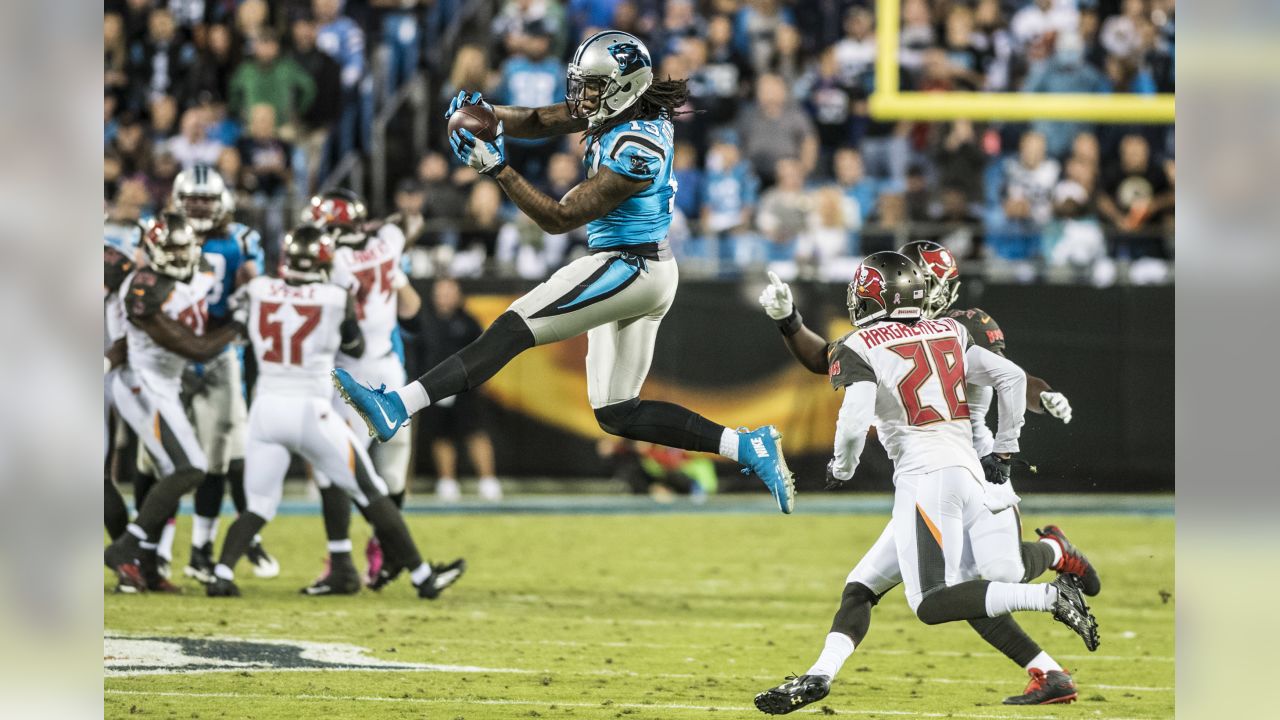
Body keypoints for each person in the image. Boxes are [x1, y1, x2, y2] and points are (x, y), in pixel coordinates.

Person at [333, 31, 796, 514]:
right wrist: (488, 116)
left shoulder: (639, 148)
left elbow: (559, 218)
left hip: (629, 265)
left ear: (622, 87)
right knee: (619, 412)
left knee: (514, 326)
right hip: (645, 266)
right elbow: (538, 119)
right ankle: (746, 446)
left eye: (592, 86)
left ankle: (398, 406)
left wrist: (499, 171)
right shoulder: (625, 105)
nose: (582, 97)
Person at [754, 246, 1096, 711]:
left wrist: (842, 468)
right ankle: (819, 675)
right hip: (970, 472)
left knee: (937, 601)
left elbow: (854, 419)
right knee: (863, 586)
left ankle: (1049, 594)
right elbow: (1011, 377)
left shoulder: (865, 342)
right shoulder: (952, 329)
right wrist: (1007, 448)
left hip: (927, 480)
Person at [206, 226, 465, 599]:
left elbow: (237, 324)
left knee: (259, 505)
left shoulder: (258, 290)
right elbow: (354, 347)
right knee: (371, 491)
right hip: (312, 411)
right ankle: (423, 577)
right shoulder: (333, 297)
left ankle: (220, 572)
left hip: (265, 410)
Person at [103, 214, 243, 593]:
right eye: (171, 249)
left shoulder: (196, 273)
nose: (179, 256)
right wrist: (237, 325)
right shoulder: (144, 287)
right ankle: (126, 548)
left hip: (163, 381)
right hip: (141, 382)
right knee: (192, 468)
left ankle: (144, 568)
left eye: (184, 248)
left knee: (172, 475)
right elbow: (194, 347)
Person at [303, 189, 423, 594]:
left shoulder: (330, 261)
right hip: (391, 367)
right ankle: (385, 554)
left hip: (347, 375)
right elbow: (411, 306)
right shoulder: (387, 243)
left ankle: (339, 560)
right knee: (392, 464)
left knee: (334, 468)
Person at [169, 166, 276, 582]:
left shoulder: (242, 240)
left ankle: (213, 545)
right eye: (191, 199)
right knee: (160, 458)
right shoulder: (161, 231)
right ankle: (152, 550)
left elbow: (255, 290)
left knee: (226, 454)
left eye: (205, 200)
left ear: (221, 204)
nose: (197, 207)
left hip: (221, 350)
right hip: (171, 352)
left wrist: (243, 311)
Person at [413, 279, 502, 503]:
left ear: (458, 295)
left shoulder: (469, 322)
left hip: (466, 389)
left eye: (448, 292)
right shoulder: (426, 322)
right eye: (440, 293)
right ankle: (447, 482)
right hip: (435, 390)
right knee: (441, 436)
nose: (444, 297)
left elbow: (484, 353)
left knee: (475, 432)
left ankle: (488, 482)